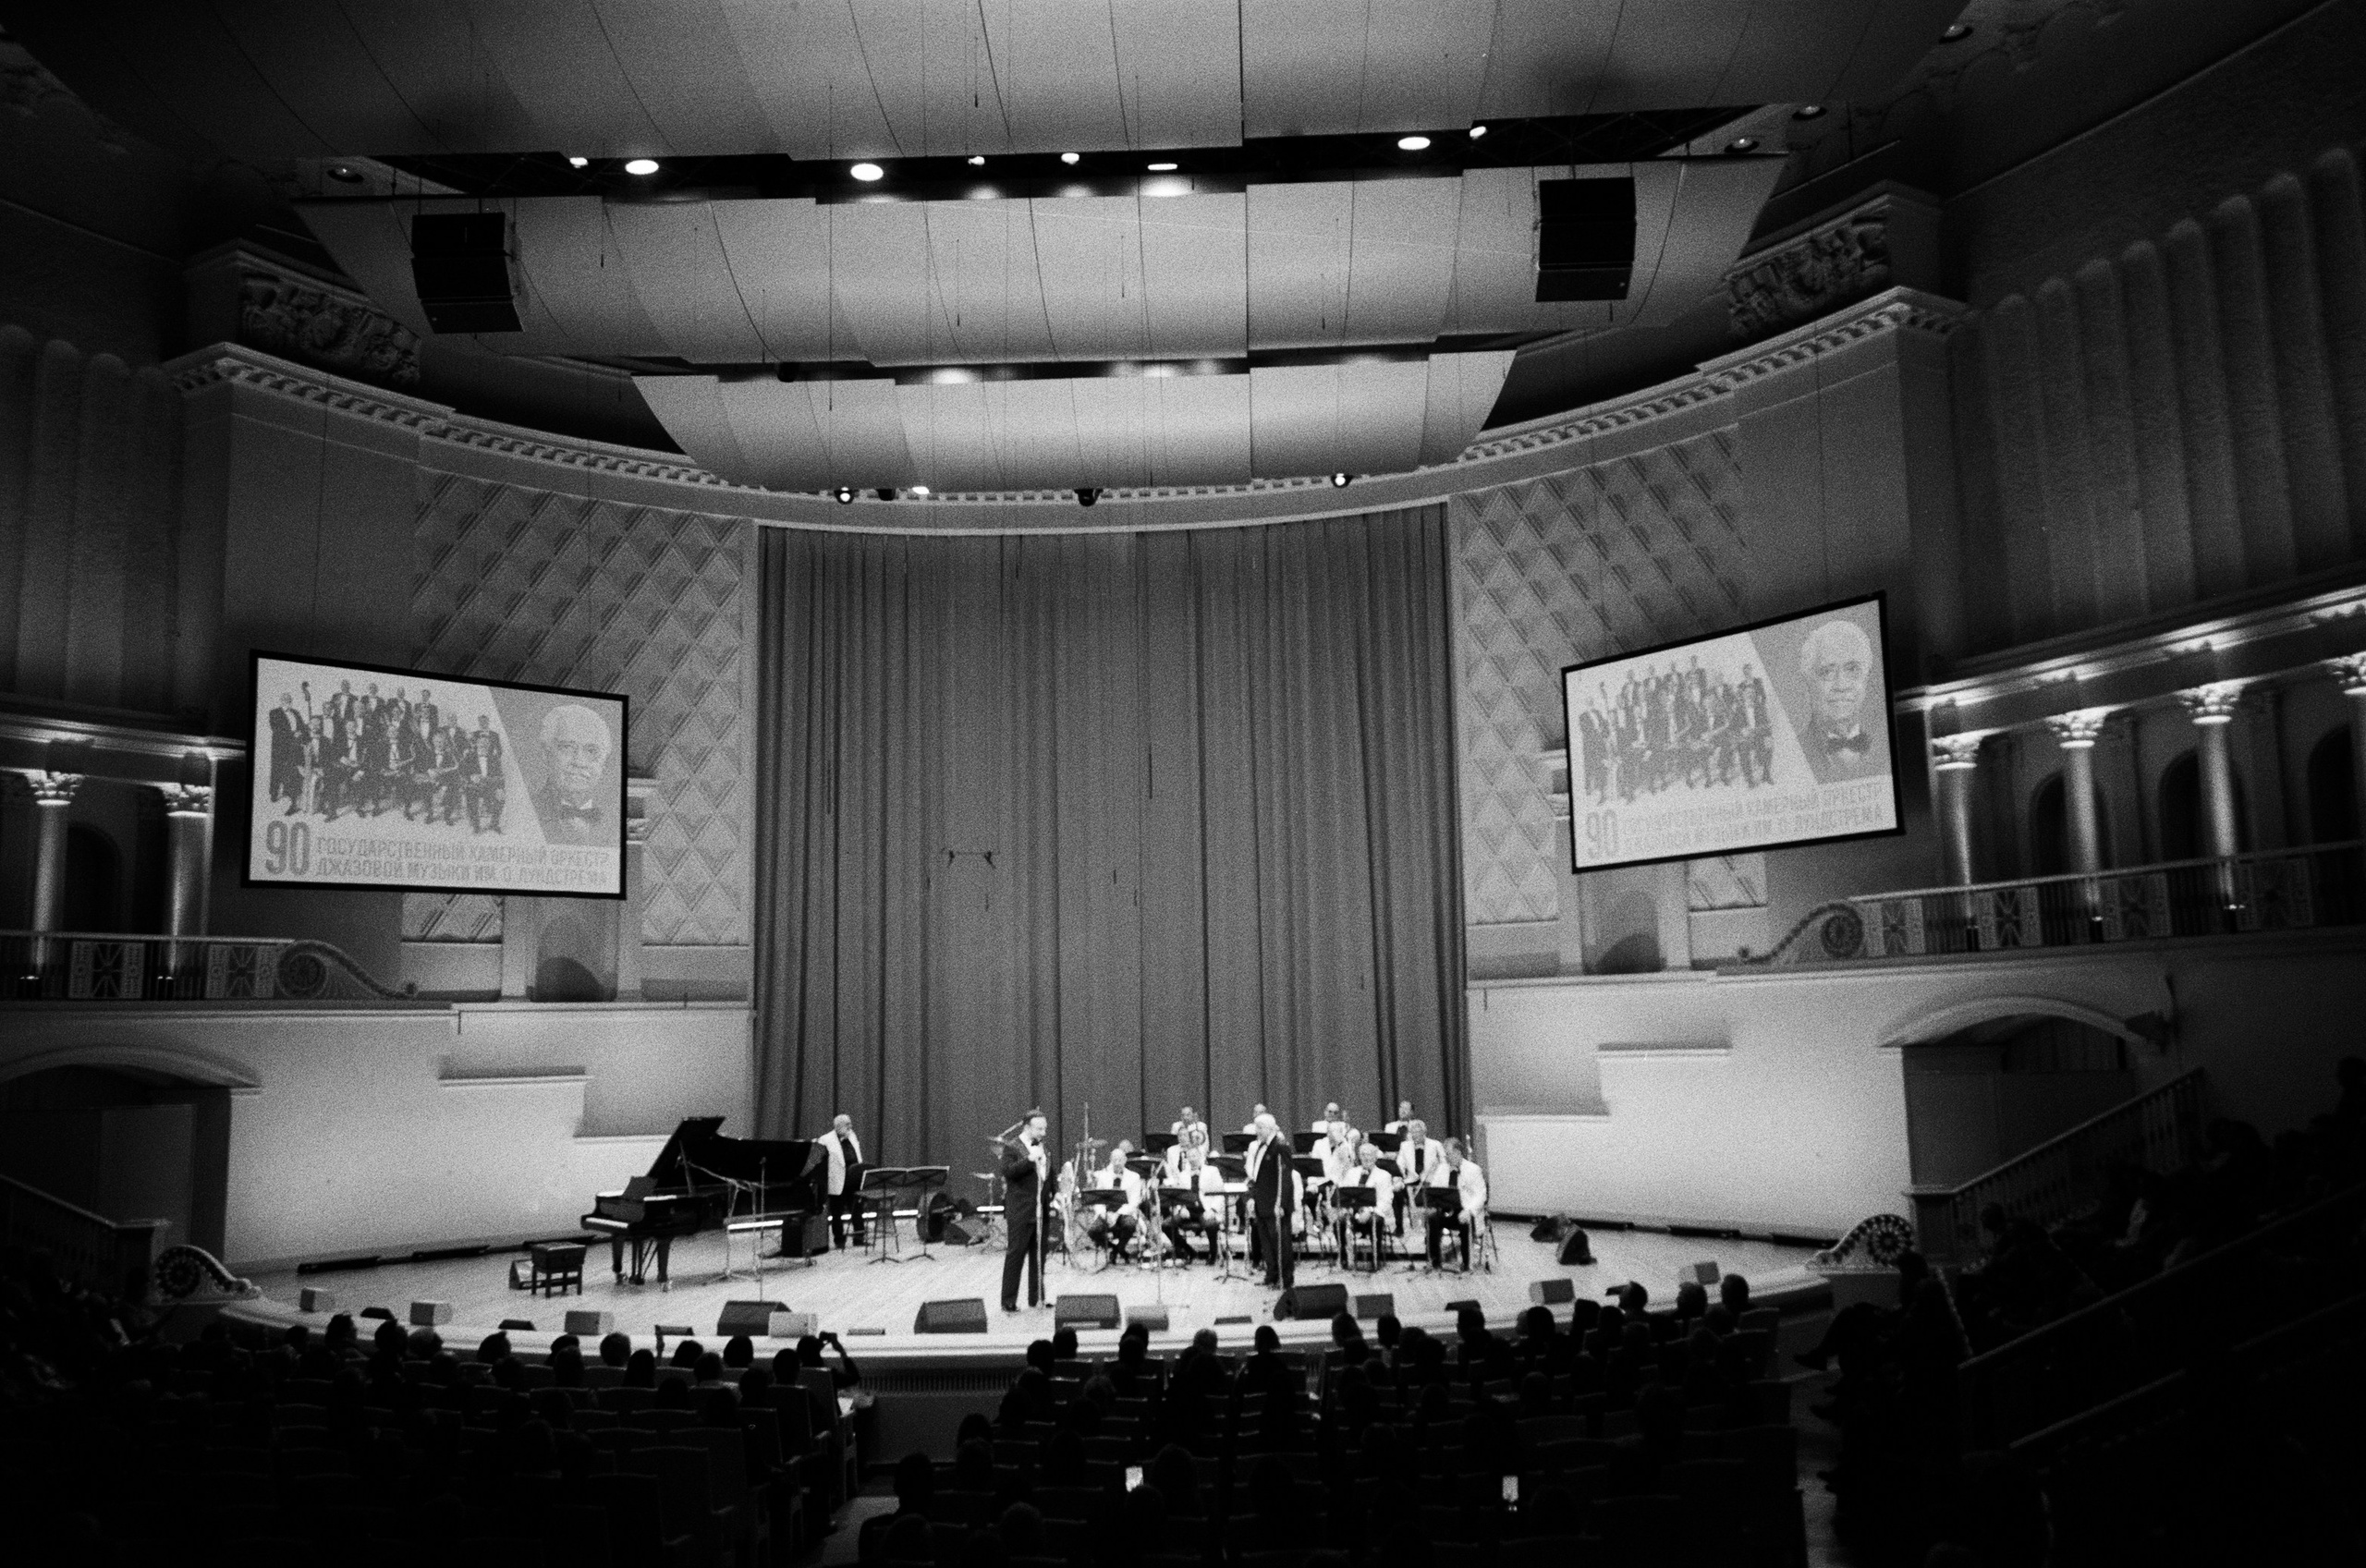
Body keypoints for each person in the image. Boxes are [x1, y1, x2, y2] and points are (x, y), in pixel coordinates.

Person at [1798, 617, 1884, 776]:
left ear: (1866, 677)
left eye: (1852, 670)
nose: (1841, 685)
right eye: (1827, 672)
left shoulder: (1884, 750)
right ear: (1808, 683)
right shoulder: (1792, 754)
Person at [532, 701, 614, 844]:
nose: (579, 762)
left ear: (604, 762)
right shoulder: (523, 810)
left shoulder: (615, 819)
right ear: (546, 754)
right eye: (567, 747)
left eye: (591, 751)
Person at [1000, 1111, 1052, 1313]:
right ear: (1027, 1128)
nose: (1044, 1132)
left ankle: (1037, 1297)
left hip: (1042, 1209)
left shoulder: (1044, 1146)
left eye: (1045, 1128)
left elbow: (1049, 1173)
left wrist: (1054, 1194)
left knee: (1039, 1256)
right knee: (1016, 1255)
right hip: (1021, 1211)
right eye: (1040, 1128)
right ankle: (1008, 1300)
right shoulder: (1012, 1147)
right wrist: (1029, 1159)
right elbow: (1008, 1172)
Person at [1245, 1112, 1299, 1289]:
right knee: (1267, 1244)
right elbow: (1256, 1177)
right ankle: (1272, 1275)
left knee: (1281, 1244)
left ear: (1269, 1128)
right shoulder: (1261, 1147)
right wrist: (1252, 1197)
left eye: (1260, 1128)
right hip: (1262, 1204)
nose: (1257, 1131)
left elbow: (1285, 1179)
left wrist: (1281, 1204)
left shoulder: (1280, 1147)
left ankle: (1286, 1279)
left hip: (1275, 1205)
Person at [1426, 1137, 1488, 1271]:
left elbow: (1480, 1195)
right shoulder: (1442, 1168)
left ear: (1458, 1152)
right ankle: (1435, 1261)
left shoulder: (1473, 1169)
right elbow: (1435, 1189)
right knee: (1432, 1219)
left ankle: (1467, 1262)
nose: (1446, 1157)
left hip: (1465, 1211)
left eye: (1448, 1154)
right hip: (1447, 1209)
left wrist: (1469, 1211)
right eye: (1445, 1154)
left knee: (1465, 1222)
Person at [1335, 1141, 1395, 1269]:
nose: (1366, 1157)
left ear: (1375, 1157)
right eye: (1363, 1154)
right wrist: (1347, 1209)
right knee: (1339, 1222)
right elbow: (1344, 1193)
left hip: (1373, 1214)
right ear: (1359, 1157)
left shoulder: (1384, 1175)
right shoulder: (1352, 1173)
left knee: (1376, 1221)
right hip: (1353, 1213)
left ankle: (1375, 1259)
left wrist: (1370, 1211)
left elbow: (1386, 1201)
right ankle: (1344, 1258)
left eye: (1370, 1154)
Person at [815, 1112, 867, 1248]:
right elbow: (820, 1162)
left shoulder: (852, 1136)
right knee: (837, 1212)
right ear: (838, 1126)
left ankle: (859, 1238)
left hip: (853, 1180)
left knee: (857, 1209)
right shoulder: (826, 1140)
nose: (851, 1126)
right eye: (847, 1124)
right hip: (838, 1180)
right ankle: (839, 1240)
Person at [1085, 1141, 1143, 1258]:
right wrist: (1103, 1214)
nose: (1117, 1163)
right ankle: (1115, 1249)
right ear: (1111, 1160)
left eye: (1120, 1160)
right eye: (1115, 1160)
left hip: (1124, 1212)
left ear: (1125, 1160)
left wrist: (1116, 1215)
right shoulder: (1103, 1176)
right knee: (1093, 1231)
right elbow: (1098, 1199)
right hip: (1106, 1212)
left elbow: (1134, 1202)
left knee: (1130, 1225)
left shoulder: (1134, 1177)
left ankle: (1117, 1251)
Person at [1393, 1118, 1446, 1232]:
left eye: (1418, 1132)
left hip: (1430, 1181)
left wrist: (1436, 1174)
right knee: (1396, 1192)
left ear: (1424, 1132)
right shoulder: (1405, 1146)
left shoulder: (1435, 1145)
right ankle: (1399, 1227)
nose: (1415, 1135)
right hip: (1411, 1181)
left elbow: (1444, 1164)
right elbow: (1399, 1166)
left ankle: (1434, 1227)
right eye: (1413, 1133)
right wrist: (1398, 1180)